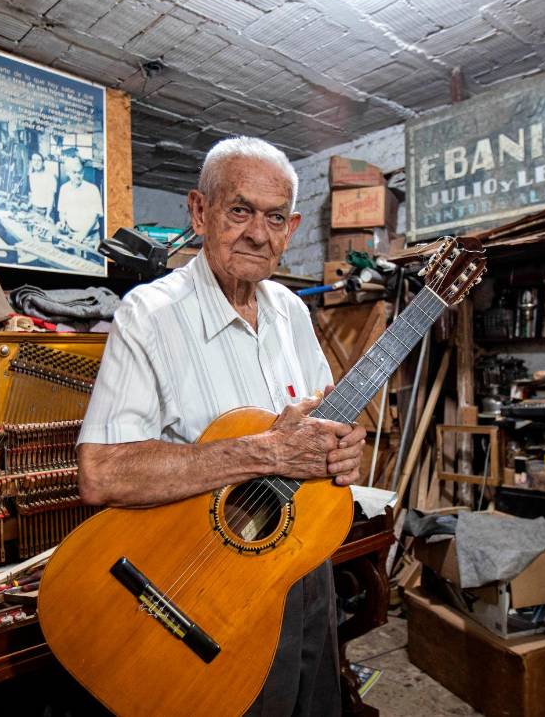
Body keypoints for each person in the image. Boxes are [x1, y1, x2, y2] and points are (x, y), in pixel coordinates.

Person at [76, 136, 365, 716]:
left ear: (292, 227)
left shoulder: (292, 313)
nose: (258, 233)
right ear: (199, 211)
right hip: (206, 586)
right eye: (240, 210)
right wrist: (266, 453)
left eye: (275, 218)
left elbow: (318, 432)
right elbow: (101, 474)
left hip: (300, 566)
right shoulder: (149, 315)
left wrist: (341, 451)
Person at [55, 156, 103, 245]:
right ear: (67, 173)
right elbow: (62, 211)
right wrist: (62, 222)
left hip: (90, 238)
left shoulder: (92, 189)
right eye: (74, 172)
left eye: (80, 172)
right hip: (72, 235)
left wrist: (83, 234)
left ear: (83, 172)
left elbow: (95, 216)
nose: (78, 176)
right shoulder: (64, 189)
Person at [27, 153, 57, 217]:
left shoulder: (50, 177)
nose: (36, 163)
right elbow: (33, 193)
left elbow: (51, 197)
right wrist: (28, 205)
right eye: (34, 160)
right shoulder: (32, 176)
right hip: (34, 208)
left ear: (43, 163)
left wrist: (48, 214)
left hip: (46, 211)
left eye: (39, 160)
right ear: (31, 162)